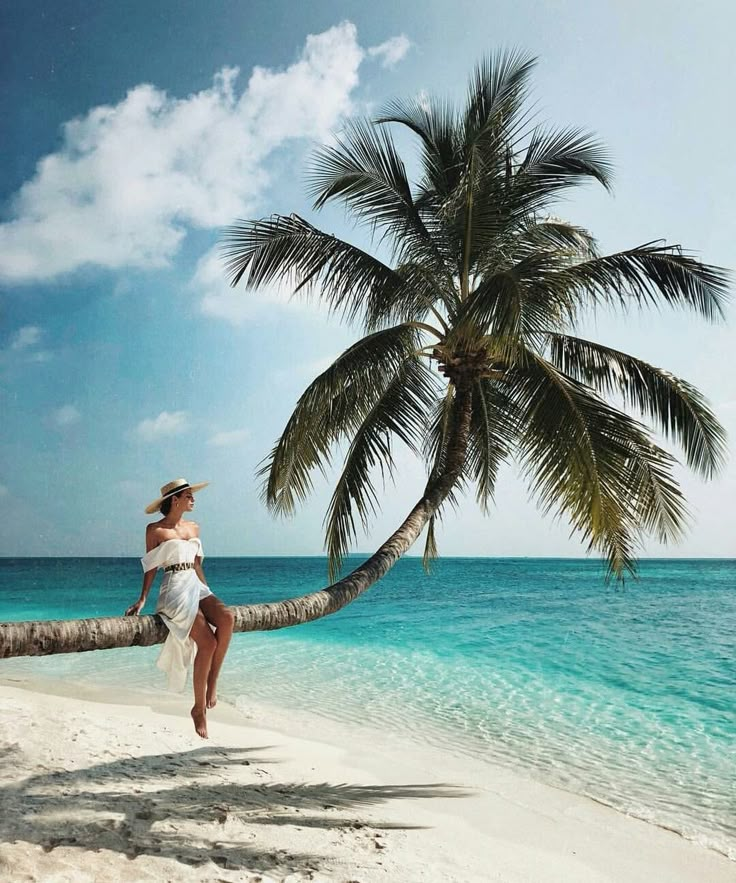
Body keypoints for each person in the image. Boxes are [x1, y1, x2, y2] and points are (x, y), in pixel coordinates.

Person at [125, 478, 235, 739]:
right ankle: (199, 709)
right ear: (175, 500)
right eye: (188, 495)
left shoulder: (194, 527)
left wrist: (208, 594)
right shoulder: (155, 530)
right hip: (174, 588)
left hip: (196, 584)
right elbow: (151, 566)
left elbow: (197, 565)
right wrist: (142, 599)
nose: (193, 499)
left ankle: (213, 681)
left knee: (227, 618)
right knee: (207, 643)